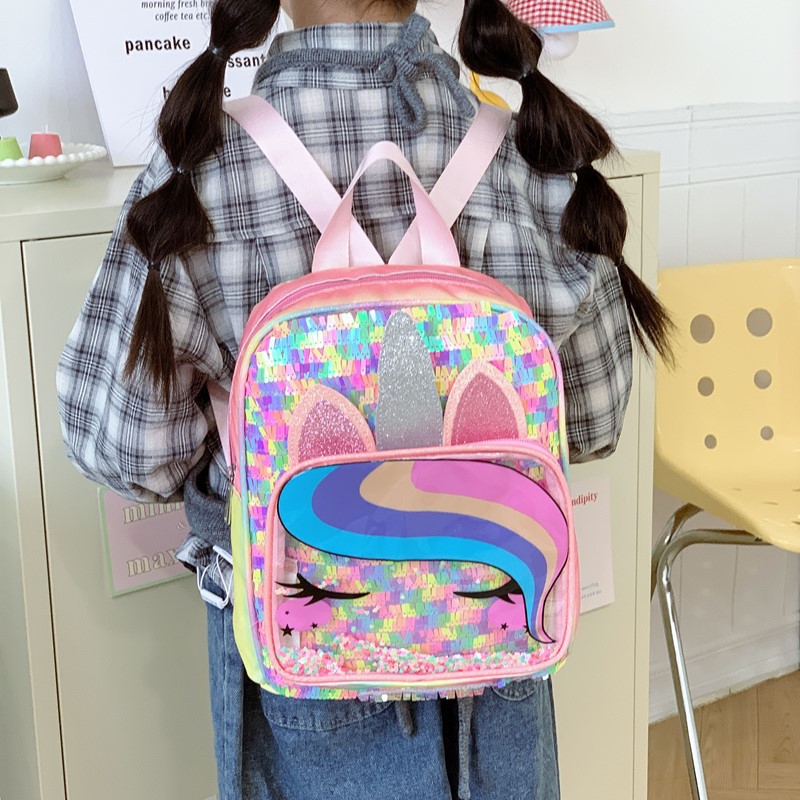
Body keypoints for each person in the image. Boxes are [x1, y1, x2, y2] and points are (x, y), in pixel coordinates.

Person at [57, 0, 671, 798]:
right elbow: (589, 422)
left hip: (304, 629)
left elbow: (123, 452)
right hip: (495, 613)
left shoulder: (200, 170)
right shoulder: (534, 155)